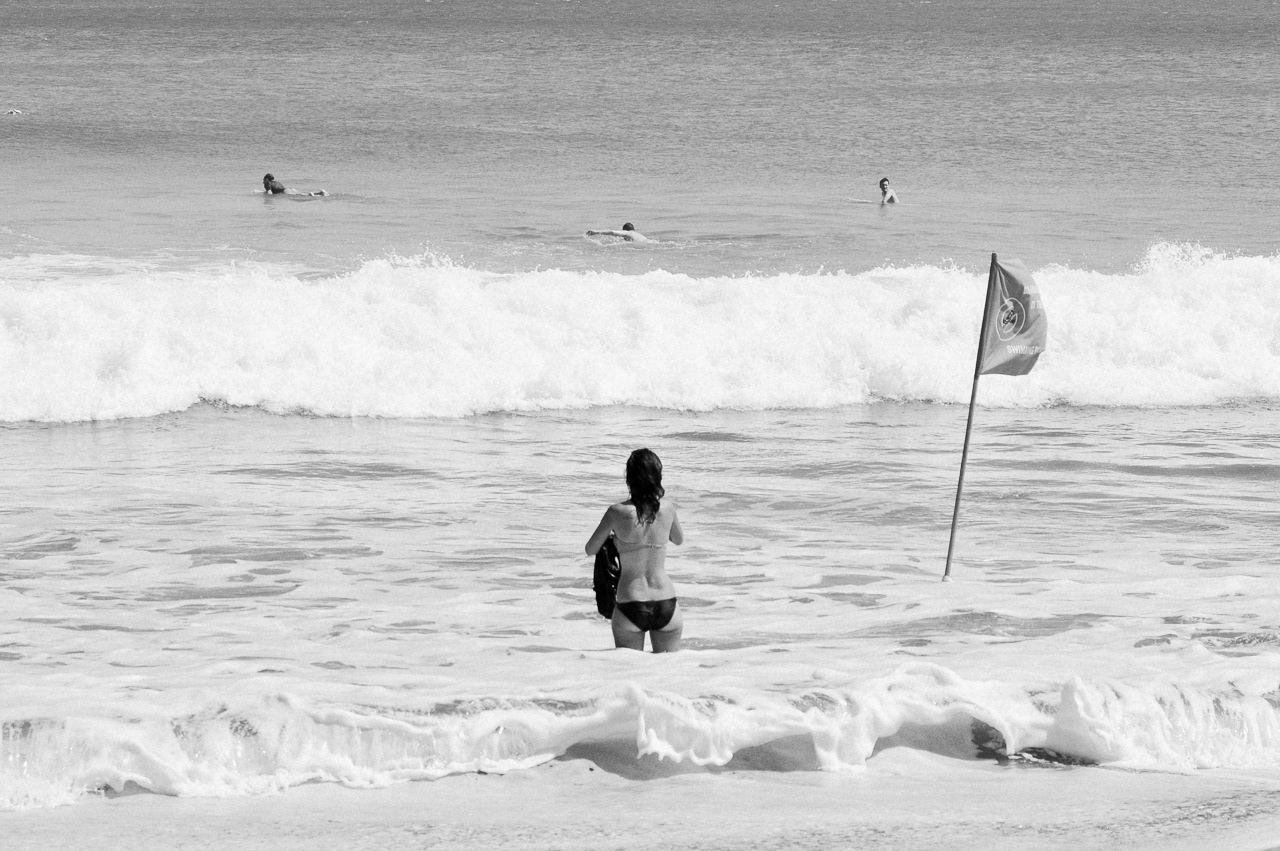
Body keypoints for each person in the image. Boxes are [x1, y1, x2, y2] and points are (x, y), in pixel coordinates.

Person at [584, 448, 684, 652]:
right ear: (658, 477)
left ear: (629, 478)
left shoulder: (616, 512)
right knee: (669, 675)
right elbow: (678, 540)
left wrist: (616, 539)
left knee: (630, 672)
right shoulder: (667, 508)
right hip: (666, 603)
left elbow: (590, 548)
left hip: (631, 603)